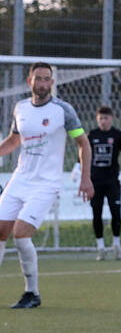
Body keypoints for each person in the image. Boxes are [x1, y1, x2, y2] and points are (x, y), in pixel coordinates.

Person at [0, 62, 94, 308]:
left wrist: (85, 178)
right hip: (20, 179)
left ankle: (32, 293)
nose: (42, 84)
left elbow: (83, 143)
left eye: (46, 79)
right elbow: (13, 141)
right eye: (38, 79)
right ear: (29, 81)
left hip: (46, 184)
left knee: (20, 234)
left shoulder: (63, 110)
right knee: (0, 229)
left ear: (51, 83)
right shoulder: (20, 108)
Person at [83, 106, 121, 261]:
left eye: (106, 118)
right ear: (97, 119)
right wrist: (78, 167)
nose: (103, 121)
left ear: (111, 118)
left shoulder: (118, 135)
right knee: (96, 214)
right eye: (100, 118)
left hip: (112, 181)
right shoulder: (92, 135)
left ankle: (116, 244)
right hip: (95, 181)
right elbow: (83, 151)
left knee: (115, 213)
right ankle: (100, 247)